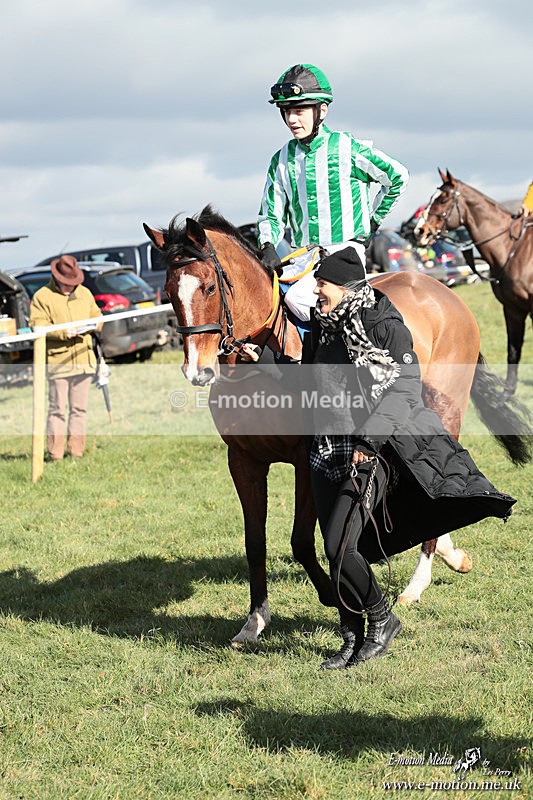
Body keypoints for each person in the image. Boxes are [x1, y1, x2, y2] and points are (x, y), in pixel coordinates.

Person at [303, 247, 516, 669]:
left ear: (344, 288)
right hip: (326, 450)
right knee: (334, 553)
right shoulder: (322, 327)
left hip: (373, 449)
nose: (316, 292)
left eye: (321, 285)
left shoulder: (384, 325)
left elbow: (403, 390)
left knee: (339, 544)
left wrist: (369, 441)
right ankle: (351, 637)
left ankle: (382, 619)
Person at [257, 63, 409, 321]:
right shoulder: (280, 159)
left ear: (322, 110)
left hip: (345, 254)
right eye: (286, 112)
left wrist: (372, 222)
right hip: (304, 258)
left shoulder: (348, 148)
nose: (292, 119)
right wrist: (268, 245)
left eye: (299, 110)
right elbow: (271, 214)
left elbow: (397, 177)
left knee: (298, 297)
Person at [30, 255, 102, 461]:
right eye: (66, 283)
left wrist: (92, 325)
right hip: (57, 363)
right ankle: (55, 455)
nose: (70, 287)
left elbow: (97, 318)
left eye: (73, 283)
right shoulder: (42, 297)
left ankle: (76, 453)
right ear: (57, 278)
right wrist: (63, 332)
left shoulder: (85, 293)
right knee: (57, 410)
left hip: (83, 360)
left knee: (79, 409)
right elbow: (38, 325)